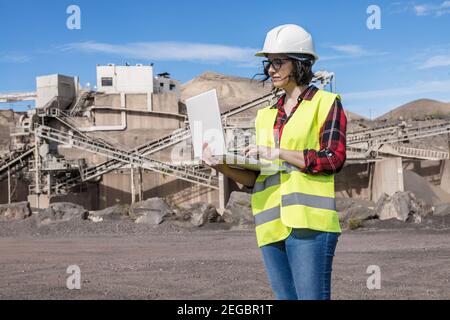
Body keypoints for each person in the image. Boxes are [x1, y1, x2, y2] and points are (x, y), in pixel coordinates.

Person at [202, 24, 347, 300]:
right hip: (270, 226)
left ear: (301, 62)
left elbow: (333, 158)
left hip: (310, 226)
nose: (271, 69)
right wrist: (221, 165)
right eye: (269, 63)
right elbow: (256, 180)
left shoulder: (326, 103)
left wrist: (278, 152)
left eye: (278, 62)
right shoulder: (265, 116)